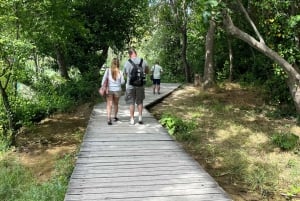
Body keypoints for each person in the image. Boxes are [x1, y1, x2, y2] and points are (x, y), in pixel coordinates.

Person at [124, 48, 149, 125]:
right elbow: (147, 71)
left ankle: (132, 119)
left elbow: (125, 74)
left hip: (130, 85)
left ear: (129, 54)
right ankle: (140, 117)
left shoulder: (127, 63)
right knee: (140, 101)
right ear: (136, 53)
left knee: (131, 102)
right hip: (140, 85)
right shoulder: (143, 61)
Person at [101, 58, 125, 125]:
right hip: (117, 90)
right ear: (118, 64)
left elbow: (103, 80)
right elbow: (123, 82)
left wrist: (103, 86)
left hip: (109, 90)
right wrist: (118, 82)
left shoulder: (108, 70)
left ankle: (109, 119)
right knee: (116, 104)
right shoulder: (120, 72)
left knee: (109, 104)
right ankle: (115, 117)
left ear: (112, 63)